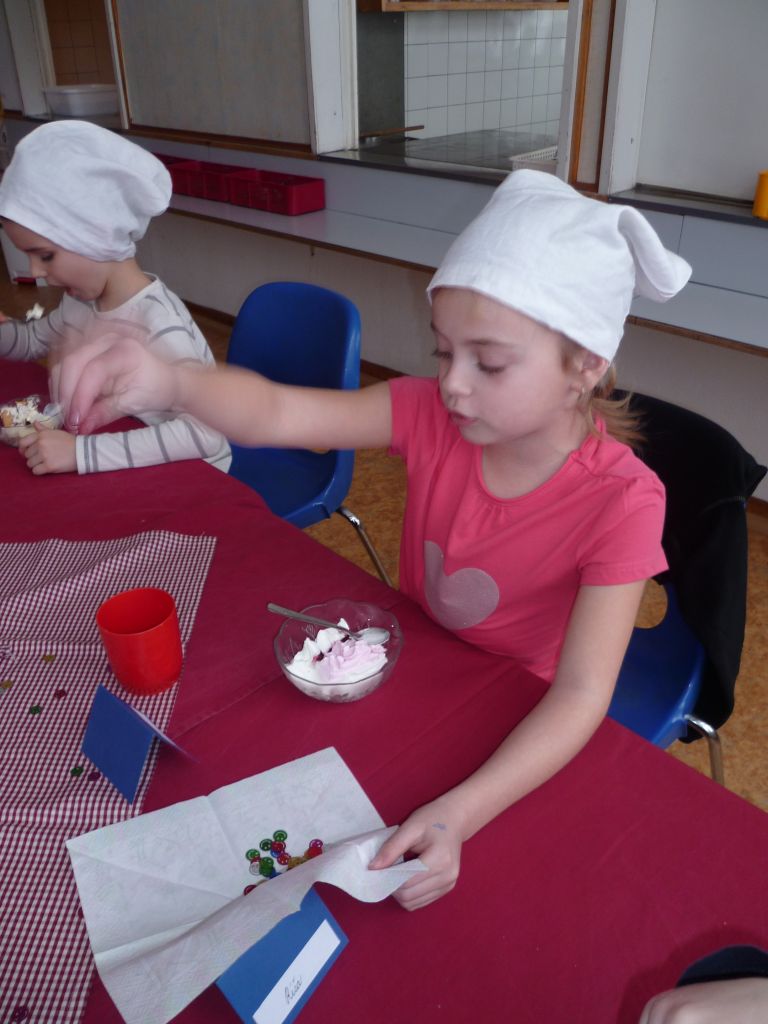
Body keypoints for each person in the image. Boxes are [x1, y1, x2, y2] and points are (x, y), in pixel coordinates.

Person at [54, 170, 691, 909]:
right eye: (443, 352)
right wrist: (174, 383)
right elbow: (279, 413)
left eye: (488, 362)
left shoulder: (623, 502)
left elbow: (580, 696)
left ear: (585, 366)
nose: (452, 384)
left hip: (512, 709)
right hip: (413, 664)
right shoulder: (431, 415)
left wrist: (458, 816)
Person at [0, 120, 230, 476]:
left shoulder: (158, 323)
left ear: (95, 235)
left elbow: (206, 434)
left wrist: (81, 453)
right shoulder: (79, 304)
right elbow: (32, 341)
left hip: (192, 476)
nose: (36, 271)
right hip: (122, 452)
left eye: (45, 255)